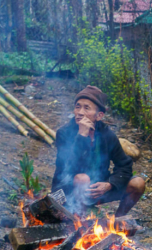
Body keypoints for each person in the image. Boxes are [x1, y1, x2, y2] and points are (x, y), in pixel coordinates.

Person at [52, 85, 146, 216]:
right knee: (82, 178)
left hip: (97, 188)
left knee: (138, 183)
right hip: (68, 190)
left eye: (86, 108)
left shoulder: (107, 135)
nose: (80, 112)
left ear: (99, 115)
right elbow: (68, 169)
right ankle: (79, 222)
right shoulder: (64, 133)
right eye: (77, 106)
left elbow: (125, 165)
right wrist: (81, 136)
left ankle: (118, 221)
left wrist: (110, 184)